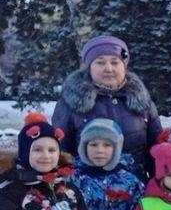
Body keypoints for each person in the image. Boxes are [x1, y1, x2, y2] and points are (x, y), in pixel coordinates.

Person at [52, 35, 162, 179]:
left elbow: (157, 151)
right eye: (100, 62)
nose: (108, 68)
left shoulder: (141, 100)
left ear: (124, 66)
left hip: (135, 187)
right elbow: (60, 151)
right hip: (86, 187)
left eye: (115, 62)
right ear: (89, 67)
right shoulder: (71, 101)